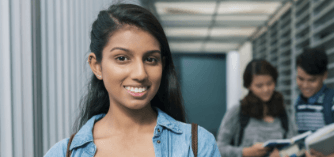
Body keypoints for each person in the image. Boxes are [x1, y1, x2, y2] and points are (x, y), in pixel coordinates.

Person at [44, 3, 221, 157]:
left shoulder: (196, 146)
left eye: (151, 59)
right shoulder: (64, 153)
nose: (140, 74)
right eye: (122, 58)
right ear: (96, 66)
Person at [217, 59, 297, 157]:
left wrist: (282, 154)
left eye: (269, 83)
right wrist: (244, 152)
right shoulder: (237, 111)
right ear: (249, 86)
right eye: (259, 86)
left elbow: (294, 145)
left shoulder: (282, 111)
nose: (266, 89)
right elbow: (219, 148)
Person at [295, 48, 334, 157]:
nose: (305, 85)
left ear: (325, 76)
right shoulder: (298, 102)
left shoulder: (331, 100)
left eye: (312, 80)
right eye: (300, 79)